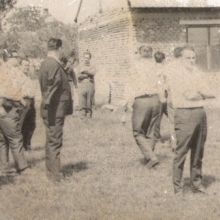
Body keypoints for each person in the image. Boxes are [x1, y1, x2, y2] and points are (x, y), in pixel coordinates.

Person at [165, 46, 215, 194]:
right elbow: (189, 95)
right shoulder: (176, 74)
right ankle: (178, 187)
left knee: (198, 151)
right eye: (188, 58)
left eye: (193, 58)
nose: (192, 61)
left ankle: (197, 184)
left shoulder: (197, 73)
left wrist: (202, 93)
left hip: (200, 113)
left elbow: (208, 90)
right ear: (181, 59)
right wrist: (203, 94)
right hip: (184, 114)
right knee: (181, 152)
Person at [39, 38, 72, 182]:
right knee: (55, 141)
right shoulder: (52, 64)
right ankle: (56, 175)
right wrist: (49, 105)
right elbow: (52, 87)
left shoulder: (47, 63)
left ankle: (50, 172)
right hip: (54, 109)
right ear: (58, 49)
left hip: (52, 109)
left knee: (51, 140)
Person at [127, 46, 165, 168]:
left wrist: (127, 103)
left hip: (141, 100)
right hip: (156, 100)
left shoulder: (135, 67)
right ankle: (149, 159)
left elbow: (130, 86)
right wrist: (162, 100)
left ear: (139, 53)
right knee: (152, 131)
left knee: (138, 132)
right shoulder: (157, 67)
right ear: (151, 53)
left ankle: (151, 157)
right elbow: (162, 85)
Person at [0, 50, 32, 175]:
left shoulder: (7, 70)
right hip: (7, 107)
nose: (17, 59)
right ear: (8, 58)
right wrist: (21, 100)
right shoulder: (5, 71)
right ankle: (22, 167)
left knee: (2, 139)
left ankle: (4, 167)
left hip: (6, 106)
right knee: (15, 137)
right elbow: (8, 91)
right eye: (15, 57)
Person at [19, 58, 36, 151]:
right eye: (24, 65)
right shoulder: (18, 76)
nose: (26, 67)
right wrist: (22, 101)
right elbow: (16, 90)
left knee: (31, 124)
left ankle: (27, 145)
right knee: (22, 124)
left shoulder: (28, 76)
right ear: (20, 66)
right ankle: (20, 147)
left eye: (28, 65)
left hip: (31, 101)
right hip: (23, 101)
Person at [153, 51, 168, 141]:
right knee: (172, 115)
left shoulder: (152, 69)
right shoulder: (164, 70)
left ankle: (156, 135)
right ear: (164, 60)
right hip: (163, 94)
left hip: (157, 95)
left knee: (157, 117)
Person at [78, 51, 96, 119]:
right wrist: (87, 75)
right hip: (82, 85)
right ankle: (82, 115)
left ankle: (88, 116)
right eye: (85, 58)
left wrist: (84, 72)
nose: (86, 59)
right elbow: (78, 76)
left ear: (90, 59)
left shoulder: (92, 66)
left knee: (89, 101)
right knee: (82, 100)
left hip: (90, 85)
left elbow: (93, 73)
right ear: (83, 58)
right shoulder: (80, 66)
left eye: (88, 58)